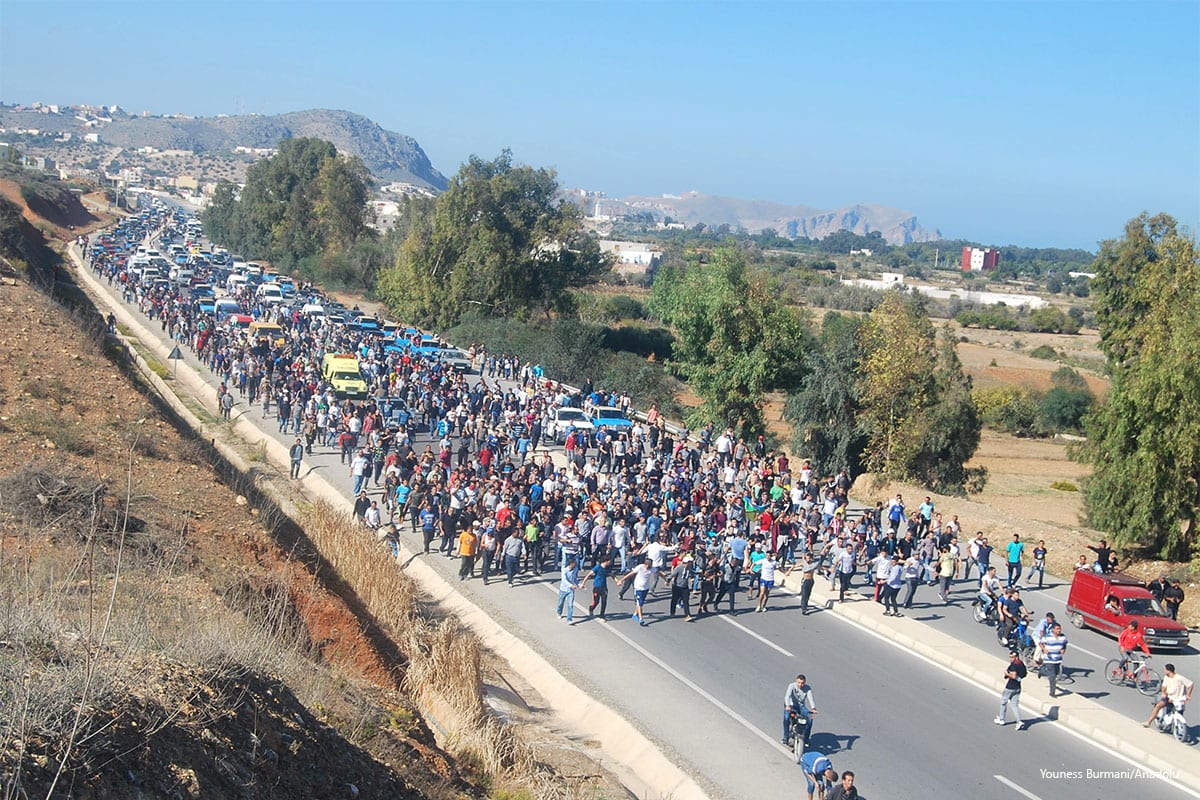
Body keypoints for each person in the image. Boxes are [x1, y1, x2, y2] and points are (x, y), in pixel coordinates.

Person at [1144, 663, 1194, 727]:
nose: (1164, 671)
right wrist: (1164, 693)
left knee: (1180, 711)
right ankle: (1149, 722)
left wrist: (1188, 695)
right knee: (1158, 705)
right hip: (1169, 697)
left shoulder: (1179, 678)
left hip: (1178, 699)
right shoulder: (1166, 677)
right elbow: (1164, 687)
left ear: (1169, 671)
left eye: (1165, 669)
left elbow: (1190, 684)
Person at [994, 650, 1028, 730]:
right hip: (1017, 687)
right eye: (1010, 657)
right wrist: (1018, 678)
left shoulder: (1014, 665)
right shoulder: (1021, 664)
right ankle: (1019, 721)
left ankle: (1001, 719)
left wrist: (1007, 674)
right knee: (1014, 705)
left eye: (1012, 657)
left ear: (1016, 657)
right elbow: (1024, 674)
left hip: (1010, 687)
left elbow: (1013, 676)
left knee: (1003, 702)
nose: (1010, 659)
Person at [783, 674, 818, 745]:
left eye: (802, 683)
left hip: (801, 706)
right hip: (791, 705)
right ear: (796, 681)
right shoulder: (791, 686)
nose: (800, 685)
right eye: (799, 682)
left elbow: (810, 699)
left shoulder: (807, 688)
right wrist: (787, 705)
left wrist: (813, 708)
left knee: (810, 719)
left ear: (805, 683)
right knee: (786, 718)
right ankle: (785, 737)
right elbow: (787, 696)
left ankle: (806, 739)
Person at [1038, 622, 1068, 698]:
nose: (1059, 630)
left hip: (1057, 659)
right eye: (1057, 629)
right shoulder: (1047, 637)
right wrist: (1044, 649)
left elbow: (1064, 644)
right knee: (1052, 676)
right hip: (1049, 659)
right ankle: (1052, 693)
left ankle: (1042, 671)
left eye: (1060, 629)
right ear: (1053, 630)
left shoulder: (1063, 637)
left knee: (1056, 673)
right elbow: (1040, 643)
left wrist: (1063, 650)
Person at [624, 556, 655, 626]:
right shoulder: (640, 567)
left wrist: (666, 579)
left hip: (646, 588)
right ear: (646, 565)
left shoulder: (652, 569)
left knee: (640, 602)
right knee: (639, 603)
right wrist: (622, 580)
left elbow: (658, 572)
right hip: (638, 588)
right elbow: (631, 573)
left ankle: (635, 614)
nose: (650, 568)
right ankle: (641, 618)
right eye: (649, 566)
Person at [669, 555, 696, 620]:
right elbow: (673, 575)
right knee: (674, 599)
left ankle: (687, 615)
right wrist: (668, 580)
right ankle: (672, 612)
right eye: (689, 562)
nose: (690, 563)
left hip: (685, 587)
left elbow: (692, 573)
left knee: (686, 601)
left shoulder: (689, 568)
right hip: (677, 586)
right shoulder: (679, 568)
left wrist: (693, 577)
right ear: (686, 562)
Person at [556, 557, 581, 623]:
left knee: (570, 605)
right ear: (570, 564)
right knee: (560, 603)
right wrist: (571, 585)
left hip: (571, 590)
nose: (575, 565)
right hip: (563, 589)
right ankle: (559, 612)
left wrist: (579, 584)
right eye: (574, 564)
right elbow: (564, 580)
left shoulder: (575, 569)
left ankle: (569, 619)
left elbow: (574, 578)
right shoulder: (564, 570)